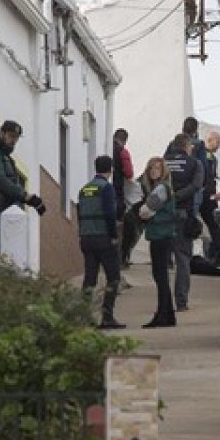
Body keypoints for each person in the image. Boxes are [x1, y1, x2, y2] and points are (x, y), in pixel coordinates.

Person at [0, 120, 45, 254]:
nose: (14, 140)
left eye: (16, 138)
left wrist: (29, 200)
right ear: (2, 133)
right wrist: (26, 196)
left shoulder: (6, 158)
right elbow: (1, 181)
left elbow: (13, 184)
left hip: (7, 213)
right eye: (11, 136)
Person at [78, 156, 125, 330]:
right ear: (110, 170)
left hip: (87, 238)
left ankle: (82, 316)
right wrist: (114, 236)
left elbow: (79, 214)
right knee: (113, 277)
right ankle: (107, 316)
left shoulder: (84, 189)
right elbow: (110, 214)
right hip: (103, 238)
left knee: (89, 278)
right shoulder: (106, 188)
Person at [163, 133, 204, 313]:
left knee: (161, 260)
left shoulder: (163, 162)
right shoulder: (195, 163)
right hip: (182, 214)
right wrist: (178, 196)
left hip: (162, 215)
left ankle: (163, 302)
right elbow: (197, 185)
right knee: (182, 258)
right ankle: (181, 301)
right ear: (187, 146)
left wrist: (166, 198)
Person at [138, 157, 177, 328]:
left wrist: (142, 211)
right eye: (151, 168)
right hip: (163, 235)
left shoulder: (160, 189)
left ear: (163, 171)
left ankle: (162, 315)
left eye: (157, 168)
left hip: (160, 236)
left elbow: (146, 210)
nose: (154, 171)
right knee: (161, 276)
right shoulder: (163, 188)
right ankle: (167, 314)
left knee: (160, 276)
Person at [112, 129, 142, 267]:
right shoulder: (122, 152)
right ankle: (120, 260)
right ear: (125, 140)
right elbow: (129, 173)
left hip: (106, 192)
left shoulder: (106, 146)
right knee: (122, 229)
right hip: (117, 194)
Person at [198, 131, 220, 264]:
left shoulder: (207, 155)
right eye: (218, 142)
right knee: (214, 226)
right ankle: (219, 254)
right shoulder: (207, 156)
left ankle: (216, 253)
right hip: (206, 196)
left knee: (213, 226)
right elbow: (207, 177)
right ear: (211, 140)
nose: (219, 146)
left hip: (205, 195)